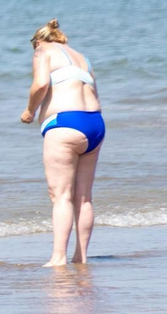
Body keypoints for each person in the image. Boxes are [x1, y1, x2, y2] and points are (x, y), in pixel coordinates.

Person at [20, 19, 105, 266]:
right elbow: (95, 94)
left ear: (38, 40)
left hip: (65, 122)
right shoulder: (82, 57)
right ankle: (81, 257)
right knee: (84, 197)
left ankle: (58, 258)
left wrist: (30, 111)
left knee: (60, 195)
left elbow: (41, 84)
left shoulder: (42, 50)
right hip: (95, 124)